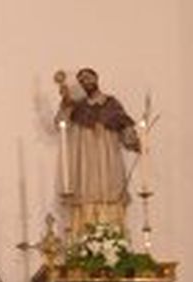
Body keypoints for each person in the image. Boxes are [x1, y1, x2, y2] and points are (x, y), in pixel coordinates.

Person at [54, 67, 141, 229]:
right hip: (85, 159)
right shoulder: (77, 107)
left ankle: (113, 236)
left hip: (108, 157)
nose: (85, 82)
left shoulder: (111, 104)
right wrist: (65, 105)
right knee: (86, 190)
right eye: (81, 80)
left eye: (88, 77)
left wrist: (134, 141)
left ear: (96, 79)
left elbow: (125, 125)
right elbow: (60, 124)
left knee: (111, 189)